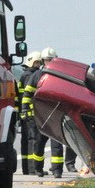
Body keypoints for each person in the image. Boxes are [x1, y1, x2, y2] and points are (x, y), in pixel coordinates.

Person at [23, 47, 65, 178]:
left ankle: (57, 171)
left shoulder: (60, 75)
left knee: (57, 144)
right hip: (40, 115)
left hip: (55, 114)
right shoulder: (37, 75)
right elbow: (27, 93)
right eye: (47, 60)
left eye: (51, 59)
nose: (49, 62)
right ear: (43, 61)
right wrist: (25, 109)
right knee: (39, 142)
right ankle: (38, 169)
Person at [18, 51, 42, 175]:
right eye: (38, 63)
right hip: (29, 112)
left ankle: (26, 168)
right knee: (32, 139)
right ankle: (31, 168)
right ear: (33, 62)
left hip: (24, 112)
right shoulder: (30, 76)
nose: (40, 65)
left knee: (26, 139)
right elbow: (29, 95)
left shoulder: (24, 74)